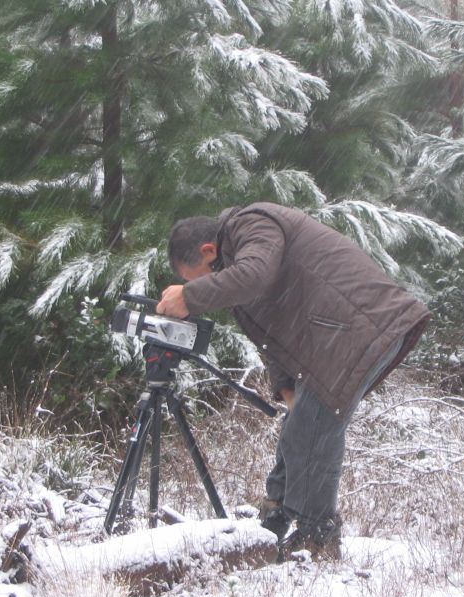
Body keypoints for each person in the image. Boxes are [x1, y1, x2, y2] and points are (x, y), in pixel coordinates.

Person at [157, 202, 430, 560]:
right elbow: (271, 331)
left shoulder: (251, 223)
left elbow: (257, 275)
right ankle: (275, 523)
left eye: (203, 277)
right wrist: (284, 384)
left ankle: (317, 538)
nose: (211, 286)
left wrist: (189, 297)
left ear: (209, 250)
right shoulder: (237, 259)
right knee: (301, 425)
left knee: (313, 428)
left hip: (359, 325)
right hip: (338, 333)